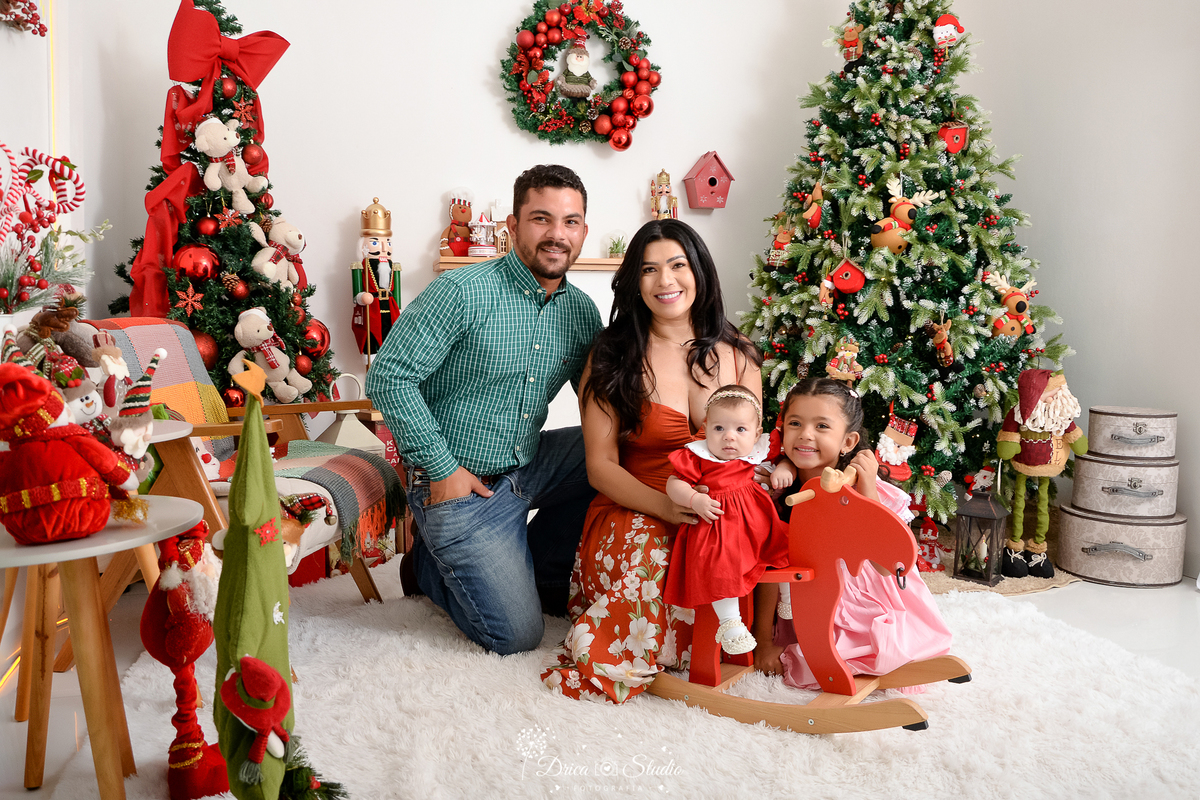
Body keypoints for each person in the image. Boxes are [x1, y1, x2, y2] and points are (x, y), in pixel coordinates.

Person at [365, 164, 603, 655]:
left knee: (613, 455)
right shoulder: (461, 291)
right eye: (541, 219)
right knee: (516, 636)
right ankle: (426, 567)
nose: (557, 234)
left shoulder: (582, 312)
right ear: (513, 226)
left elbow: (600, 401)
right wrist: (441, 468)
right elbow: (388, 377)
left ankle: (543, 571)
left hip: (529, 465)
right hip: (458, 482)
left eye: (571, 222)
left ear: (583, 231)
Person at [541, 219, 762, 704]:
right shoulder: (612, 356)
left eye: (678, 265)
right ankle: (632, 652)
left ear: (699, 271)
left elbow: (750, 451)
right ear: (634, 282)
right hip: (635, 504)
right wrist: (665, 507)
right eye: (648, 269)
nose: (665, 281)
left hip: (718, 507)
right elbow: (601, 466)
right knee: (654, 554)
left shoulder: (739, 353)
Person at [753, 378, 952, 689]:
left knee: (883, 643)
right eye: (795, 423)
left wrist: (868, 485)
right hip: (805, 595)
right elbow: (768, 571)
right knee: (812, 650)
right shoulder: (775, 487)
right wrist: (763, 643)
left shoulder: (863, 487)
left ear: (848, 442)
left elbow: (887, 565)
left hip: (863, 590)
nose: (805, 434)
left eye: (821, 426)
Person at [662, 384, 789, 655]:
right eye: (719, 428)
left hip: (756, 525)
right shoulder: (699, 456)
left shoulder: (755, 453)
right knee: (721, 567)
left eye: (740, 429)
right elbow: (674, 483)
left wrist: (783, 471)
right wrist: (694, 499)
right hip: (717, 529)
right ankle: (730, 622)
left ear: (756, 434)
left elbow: (786, 458)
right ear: (706, 428)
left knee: (783, 545)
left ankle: (788, 599)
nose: (729, 437)